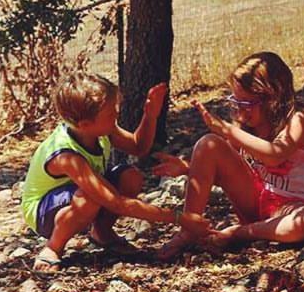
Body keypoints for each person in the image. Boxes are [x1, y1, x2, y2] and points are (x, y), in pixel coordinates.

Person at [21, 72, 210, 270]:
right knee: (90, 198)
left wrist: (150, 115)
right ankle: (54, 246)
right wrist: (179, 217)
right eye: (111, 113)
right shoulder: (66, 156)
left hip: (74, 195)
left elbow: (138, 147)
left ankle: (102, 232)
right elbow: (117, 203)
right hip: (43, 212)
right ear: (85, 124)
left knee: (130, 177)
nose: (117, 114)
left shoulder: (99, 129)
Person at [155, 51, 304, 260]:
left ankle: (240, 233)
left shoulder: (299, 118)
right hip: (256, 200)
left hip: (295, 207)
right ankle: (189, 229)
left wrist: (227, 130)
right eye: (236, 102)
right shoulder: (246, 124)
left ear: (273, 98)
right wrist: (189, 167)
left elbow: (275, 155)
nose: (240, 112)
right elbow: (225, 167)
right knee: (208, 144)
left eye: (247, 104)